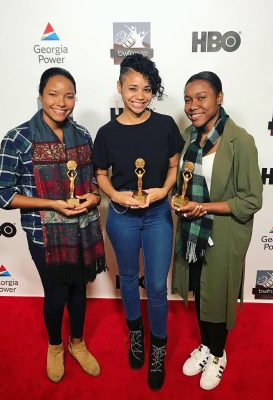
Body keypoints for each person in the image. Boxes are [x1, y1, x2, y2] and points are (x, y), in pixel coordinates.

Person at [0, 67, 106, 383]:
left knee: (79, 290)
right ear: (40, 96)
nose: (62, 102)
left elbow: (93, 186)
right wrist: (51, 203)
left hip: (82, 230)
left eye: (69, 95)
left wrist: (93, 200)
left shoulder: (82, 135)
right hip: (44, 234)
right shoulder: (18, 138)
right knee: (56, 293)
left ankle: (77, 342)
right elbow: (1, 195)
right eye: (53, 94)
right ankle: (56, 346)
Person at [92, 53, 184, 390]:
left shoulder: (165, 126)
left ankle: (158, 347)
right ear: (119, 88)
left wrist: (162, 191)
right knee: (128, 278)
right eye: (132, 88)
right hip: (121, 216)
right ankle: (136, 333)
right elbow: (101, 175)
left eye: (147, 89)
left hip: (158, 213)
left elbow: (175, 167)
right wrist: (115, 195)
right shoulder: (106, 133)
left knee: (157, 286)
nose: (139, 96)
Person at [171, 71, 262, 391]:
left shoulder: (241, 141)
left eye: (201, 97)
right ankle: (206, 346)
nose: (192, 105)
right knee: (199, 287)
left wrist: (204, 208)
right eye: (187, 99)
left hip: (223, 233)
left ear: (219, 98)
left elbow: (250, 200)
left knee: (218, 293)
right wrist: (176, 201)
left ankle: (219, 354)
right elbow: (181, 182)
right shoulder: (188, 137)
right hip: (192, 231)